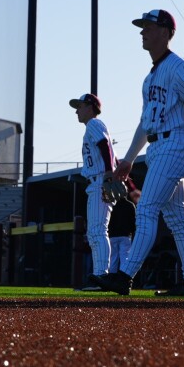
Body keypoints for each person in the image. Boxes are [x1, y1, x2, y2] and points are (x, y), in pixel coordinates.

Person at [94, 9, 184, 298]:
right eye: (142, 28)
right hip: (158, 147)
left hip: (176, 144)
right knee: (177, 218)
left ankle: (124, 276)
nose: (143, 32)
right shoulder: (149, 77)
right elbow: (144, 123)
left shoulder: (180, 67)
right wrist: (127, 159)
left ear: (165, 32)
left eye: (149, 27)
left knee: (148, 209)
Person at [70, 92, 119, 286]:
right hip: (97, 180)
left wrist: (108, 174)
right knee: (94, 232)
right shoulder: (93, 126)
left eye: (80, 106)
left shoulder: (94, 124)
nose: (77, 111)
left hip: (100, 180)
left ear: (90, 107)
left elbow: (104, 145)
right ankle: (101, 275)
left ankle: (102, 275)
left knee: (98, 231)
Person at [107, 186, 137, 275]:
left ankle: (112, 277)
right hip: (125, 235)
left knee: (113, 258)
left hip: (112, 235)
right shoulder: (130, 205)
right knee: (125, 258)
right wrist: (132, 231)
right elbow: (133, 221)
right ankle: (123, 277)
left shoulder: (112, 204)